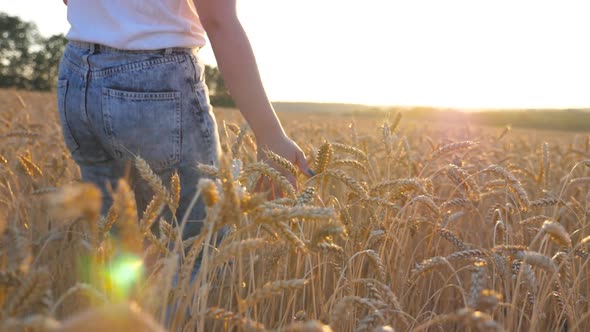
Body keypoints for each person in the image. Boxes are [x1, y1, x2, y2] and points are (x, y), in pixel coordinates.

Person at [57, 0, 313, 240]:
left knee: (113, 241)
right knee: (196, 248)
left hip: (77, 77)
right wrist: (270, 135)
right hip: (155, 79)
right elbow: (218, 21)